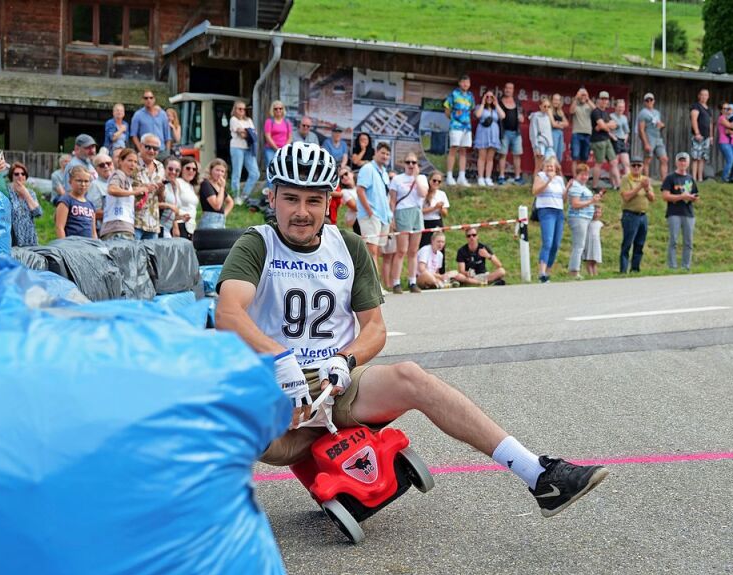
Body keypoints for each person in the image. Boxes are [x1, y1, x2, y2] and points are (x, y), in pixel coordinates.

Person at [215, 142, 606, 517]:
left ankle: (538, 475)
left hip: (336, 387)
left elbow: (375, 329)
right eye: (291, 199)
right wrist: (279, 360)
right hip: (280, 401)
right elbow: (229, 312)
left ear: (328, 202)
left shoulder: (347, 247)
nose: (302, 211)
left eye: (313, 200)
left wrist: (344, 359)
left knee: (412, 377)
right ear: (272, 198)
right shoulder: (257, 245)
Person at [388, 152, 428, 293]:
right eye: (408, 162)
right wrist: (391, 218)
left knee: (413, 251)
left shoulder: (422, 178)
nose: (411, 165)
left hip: (416, 212)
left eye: (414, 162)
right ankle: (396, 282)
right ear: (404, 164)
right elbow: (392, 200)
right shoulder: (397, 179)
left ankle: (412, 281)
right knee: (401, 250)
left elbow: (423, 194)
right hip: (402, 212)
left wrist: (416, 177)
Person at [356, 141, 393, 277]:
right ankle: (374, 287)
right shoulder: (368, 168)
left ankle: (376, 284)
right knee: (372, 252)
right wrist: (370, 212)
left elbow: (385, 195)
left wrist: (389, 215)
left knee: (377, 252)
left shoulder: (384, 172)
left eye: (388, 154)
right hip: (370, 215)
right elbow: (360, 190)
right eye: (382, 153)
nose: (385, 156)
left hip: (383, 217)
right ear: (376, 152)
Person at [661, 152, 698, 270]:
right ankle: (672, 266)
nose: (683, 163)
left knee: (688, 242)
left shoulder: (690, 178)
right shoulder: (670, 178)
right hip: (674, 212)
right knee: (674, 241)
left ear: (688, 163)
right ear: (677, 162)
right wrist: (681, 197)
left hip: (688, 213)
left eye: (685, 161)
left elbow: (696, 194)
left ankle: (686, 266)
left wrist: (693, 198)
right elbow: (665, 196)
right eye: (680, 161)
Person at [532, 156, 566, 283]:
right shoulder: (540, 176)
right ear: (544, 167)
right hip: (546, 210)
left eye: (552, 166)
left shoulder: (559, 179)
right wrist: (548, 181)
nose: (550, 168)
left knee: (556, 243)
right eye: (548, 166)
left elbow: (563, 198)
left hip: (558, 210)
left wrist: (566, 190)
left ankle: (548, 271)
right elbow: (535, 191)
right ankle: (541, 271)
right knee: (548, 241)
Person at [565, 163, 601, 279]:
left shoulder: (583, 187)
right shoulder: (576, 186)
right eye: (582, 175)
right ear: (577, 174)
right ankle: (574, 271)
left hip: (585, 218)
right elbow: (575, 204)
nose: (585, 177)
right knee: (579, 245)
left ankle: (575, 269)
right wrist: (591, 201)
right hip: (578, 217)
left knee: (580, 245)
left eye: (586, 175)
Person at [619, 157, 654, 273]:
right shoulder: (626, 179)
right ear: (630, 167)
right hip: (630, 214)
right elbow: (626, 197)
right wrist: (640, 187)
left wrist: (647, 189)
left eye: (639, 166)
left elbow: (652, 198)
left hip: (643, 215)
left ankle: (635, 268)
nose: (636, 168)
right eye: (634, 165)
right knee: (627, 243)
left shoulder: (645, 179)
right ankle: (623, 269)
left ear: (642, 167)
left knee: (640, 243)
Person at [101, 148, 142, 241]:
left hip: (123, 228)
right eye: (130, 160)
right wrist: (135, 192)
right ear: (120, 161)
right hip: (118, 230)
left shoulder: (126, 178)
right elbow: (112, 189)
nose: (133, 164)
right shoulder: (119, 174)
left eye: (135, 162)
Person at [443, 74, 474, 187]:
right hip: (456, 126)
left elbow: (471, 109)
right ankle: (449, 176)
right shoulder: (454, 94)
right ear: (459, 83)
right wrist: (453, 119)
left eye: (468, 82)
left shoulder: (470, 96)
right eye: (463, 82)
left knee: (463, 151)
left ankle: (461, 176)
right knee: (453, 149)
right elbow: (447, 108)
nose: (465, 84)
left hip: (467, 127)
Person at [134, 133, 165, 240]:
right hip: (134, 221)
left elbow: (160, 198)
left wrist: (161, 190)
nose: (152, 151)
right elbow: (123, 188)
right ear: (141, 146)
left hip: (153, 223)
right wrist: (145, 188)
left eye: (155, 148)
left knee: (151, 257)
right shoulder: (132, 162)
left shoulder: (160, 166)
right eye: (148, 147)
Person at [229, 101, 259, 205]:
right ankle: (235, 196)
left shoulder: (249, 120)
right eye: (239, 109)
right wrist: (249, 131)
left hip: (248, 148)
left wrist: (246, 131)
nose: (242, 111)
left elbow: (253, 134)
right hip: (237, 147)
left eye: (243, 109)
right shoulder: (233, 119)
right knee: (237, 173)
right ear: (235, 109)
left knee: (255, 173)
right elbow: (243, 135)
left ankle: (244, 195)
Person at [55, 166, 97, 239]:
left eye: (86, 181)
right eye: (79, 181)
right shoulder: (66, 200)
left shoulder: (90, 204)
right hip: (72, 245)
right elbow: (59, 227)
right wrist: (64, 246)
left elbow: (93, 232)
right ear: (70, 181)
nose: (83, 184)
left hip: (88, 246)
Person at [473, 90, 504, 187]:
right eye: (487, 97)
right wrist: (482, 103)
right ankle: (481, 177)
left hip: (493, 134)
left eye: (491, 97)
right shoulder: (479, 107)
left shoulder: (495, 110)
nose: (489, 99)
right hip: (483, 133)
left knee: (490, 158)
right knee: (482, 157)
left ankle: (488, 177)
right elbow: (478, 115)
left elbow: (503, 116)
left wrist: (496, 104)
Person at [497, 82, 525, 185]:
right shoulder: (499, 102)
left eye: (510, 88)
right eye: (507, 88)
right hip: (504, 132)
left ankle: (517, 177)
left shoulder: (517, 102)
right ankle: (501, 176)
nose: (508, 90)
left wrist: (521, 117)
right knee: (502, 155)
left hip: (516, 132)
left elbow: (522, 115)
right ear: (504, 89)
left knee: (517, 155)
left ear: (513, 90)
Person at [7, 162, 42, 247]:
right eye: (16, 174)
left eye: (23, 174)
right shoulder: (7, 192)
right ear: (12, 177)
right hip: (13, 237)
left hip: (29, 236)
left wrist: (26, 194)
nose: (20, 176)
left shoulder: (30, 193)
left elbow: (38, 213)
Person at [589, 91, 618, 190]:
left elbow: (614, 125)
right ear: (598, 100)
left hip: (606, 139)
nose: (604, 101)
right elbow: (601, 126)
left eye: (606, 99)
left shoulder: (606, 113)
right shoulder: (596, 112)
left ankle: (617, 185)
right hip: (597, 141)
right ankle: (594, 186)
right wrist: (604, 126)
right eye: (602, 99)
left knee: (614, 161)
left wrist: (604, 126)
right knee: (599, 163)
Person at [636, 93, 668, 180]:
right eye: (647, 100)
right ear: (644, 102)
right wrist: (645, 143)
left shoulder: (657, 112)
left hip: (658, 138)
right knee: (647, 160)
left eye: (651, 100)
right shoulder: (643, 113)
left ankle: (664, 182)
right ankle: (645, 181)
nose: (649, 101)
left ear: (654, 101)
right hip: (649, 138)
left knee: (664, 159)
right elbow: (641, 129)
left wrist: (662, 125)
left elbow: (659, 125)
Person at [199, 158, 234, 230]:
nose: (220, 173)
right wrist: (222, 187)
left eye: (222, 171)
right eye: (217, 170)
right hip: (209, 222)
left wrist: (223, 215)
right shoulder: (206, 184)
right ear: (211, 170)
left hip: (221, 221)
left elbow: (230, 202)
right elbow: (217, 205)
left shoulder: (218, 185)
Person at [264, 101, 293, 183]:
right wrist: (276, 148)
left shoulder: (287, 122)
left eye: (280, 108)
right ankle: (270, 191)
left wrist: (283, 148)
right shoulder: (269, 121)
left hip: (283, 150)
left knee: (283, 170)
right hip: (270, 149)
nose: (278, 110)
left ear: (283, 109)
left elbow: (290, 137)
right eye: (276, 109)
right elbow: (268, 136)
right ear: (272, 110)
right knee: (271, 170)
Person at [689, 88, 713, 183]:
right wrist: (697, 133)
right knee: (695, 157)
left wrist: (711, 136)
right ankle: (694, 178)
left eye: (706, 95)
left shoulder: (708, 109)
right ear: (699, 96)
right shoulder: (696, 106)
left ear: (708, 97)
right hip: (698, 136)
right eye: (702, 95)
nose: (704, 97)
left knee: (703, 158)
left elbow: (710, 123)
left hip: (707, 137)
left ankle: (700, 178)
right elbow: (694, 120)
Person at [420, 171, 449, 249]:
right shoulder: (423, 193)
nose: (436, 183)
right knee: (424, 247)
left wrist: (440, 208)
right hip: (424, 222)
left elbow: (445, 214)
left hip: (437, 222)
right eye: (434, 180)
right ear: (429, 181)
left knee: (438, 247)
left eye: (439, 181)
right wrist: (434, 208)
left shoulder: (442, 194)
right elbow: (420, 211)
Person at [160, 157, 187, 238]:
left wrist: (180, 217)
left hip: (168, 229)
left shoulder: (175, 186)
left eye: (177, 170)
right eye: (170, 169)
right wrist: (169, 206)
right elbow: (151, 204)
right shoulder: (161, 184)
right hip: (159, 228)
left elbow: (170, 213)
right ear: (164, 169)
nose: (173, 172)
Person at [88, 150, 114, 233]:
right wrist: (115, 213)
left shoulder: (120, 182)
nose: (106, 166)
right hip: (104, 230)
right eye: (102, 165)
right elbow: (94, 213)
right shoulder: (95, 185)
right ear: (96, 169)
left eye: (108, 163)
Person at [175, 157, 200, 240]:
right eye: (188, 168)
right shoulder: (177, 182)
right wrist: (175, 224)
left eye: (194, 169)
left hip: (191, 227)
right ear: (181, 169)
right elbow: (172, 204)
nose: (191, 171)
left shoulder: (191, 186)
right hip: (180, 224)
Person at [717, 103, 733, 184]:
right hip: (724, 142)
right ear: (721, 110)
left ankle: (732, 177)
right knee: (730, 160)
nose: (726, 110)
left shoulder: (732, 118)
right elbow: (732, 127)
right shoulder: (721, 118)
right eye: (724, 108)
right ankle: (724, 178)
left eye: (728, 108)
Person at [569, 87, 594, 166]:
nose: (583, 96)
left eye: (584, 94)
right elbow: (571, 111)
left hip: (587, 134)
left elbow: (596, 111)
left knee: (585, 157)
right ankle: (575, 177)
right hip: (576, 133)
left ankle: (582, 176)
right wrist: (577, 98)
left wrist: (587, 99)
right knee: (575, 157)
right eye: (581, 95)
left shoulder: (589, 106)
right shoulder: (575, 105)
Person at [529, 96, 555, 167]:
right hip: (540, 144)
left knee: (555, 166)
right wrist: (535, 147)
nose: (546, 108)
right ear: (540, 106)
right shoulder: (535, 116)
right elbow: (533, 133)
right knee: (538, 167)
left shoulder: (548, 116)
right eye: (545, 106)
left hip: (549, 145)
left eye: (548, 107)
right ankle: (536, 178)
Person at [609, 98, 631, 182]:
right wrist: (613, 137)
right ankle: (613, 182)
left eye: (622, 107)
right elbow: (607, 130)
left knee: (626, 163)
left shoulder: (624, 118)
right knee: (614, 163)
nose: (621, 109)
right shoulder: (611, 116)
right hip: (615, 140)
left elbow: (627, 131)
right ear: (615, 107)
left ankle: (627, 183)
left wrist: (626, 137)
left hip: (623, 141)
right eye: (619, 107)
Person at [583, 206, 603, 277]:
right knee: (589, 259)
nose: (597, 214)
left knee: (594, 260)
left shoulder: (600, 223)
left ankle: (595, 275)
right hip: (589, 242)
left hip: (596, 243)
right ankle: (590, 275)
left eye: (598, 213)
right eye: (595, 212)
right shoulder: (588, 222)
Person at [338, 167, 359, 233]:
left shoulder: (360, 187)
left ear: (352, 173)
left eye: (346, 174)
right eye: (341, 177)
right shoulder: (344, 191)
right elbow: (355, 207)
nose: (344, 177)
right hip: (356, 222)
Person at [549, 93, 568, 163]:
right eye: (555, 100)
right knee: (552, 154)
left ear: (560, 101)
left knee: (559, 155)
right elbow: (553, 124)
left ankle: (556, 171)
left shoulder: (560, 111)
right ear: (551, 101)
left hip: (560, 133)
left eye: (558, 100)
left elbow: (567, 123)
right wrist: (561, 125)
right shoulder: (549, 109)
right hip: (552, 133)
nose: (556, 101)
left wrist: (559, 123)